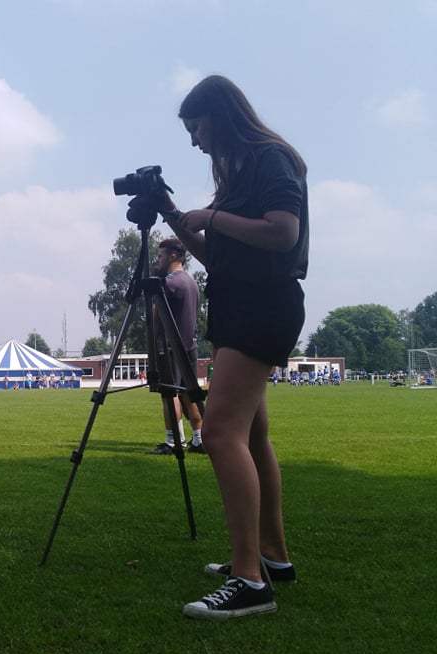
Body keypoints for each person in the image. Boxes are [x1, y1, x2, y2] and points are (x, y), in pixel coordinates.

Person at [158, 75, 307, 620]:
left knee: (219, 433)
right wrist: (179, 217)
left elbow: (283, 232)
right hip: (241, 302)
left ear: (219, 116)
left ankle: (250, 581)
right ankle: (272, 556)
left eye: (197, 128)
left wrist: (212, 216)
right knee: (252, 434)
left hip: (262, 306)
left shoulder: (271, 158)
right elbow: (218, 258)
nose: (196, 142)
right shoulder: (241, 172)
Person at [145, 238, 205, 456]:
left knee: (169, 394)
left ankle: (173, 441)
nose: (157, 261)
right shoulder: (191, 282)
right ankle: (199, 439)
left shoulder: (168, 284)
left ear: (172, 256)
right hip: (189, 345)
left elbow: (154, 316)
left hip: (169, 347)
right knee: (190, 393)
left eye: (160, 256)